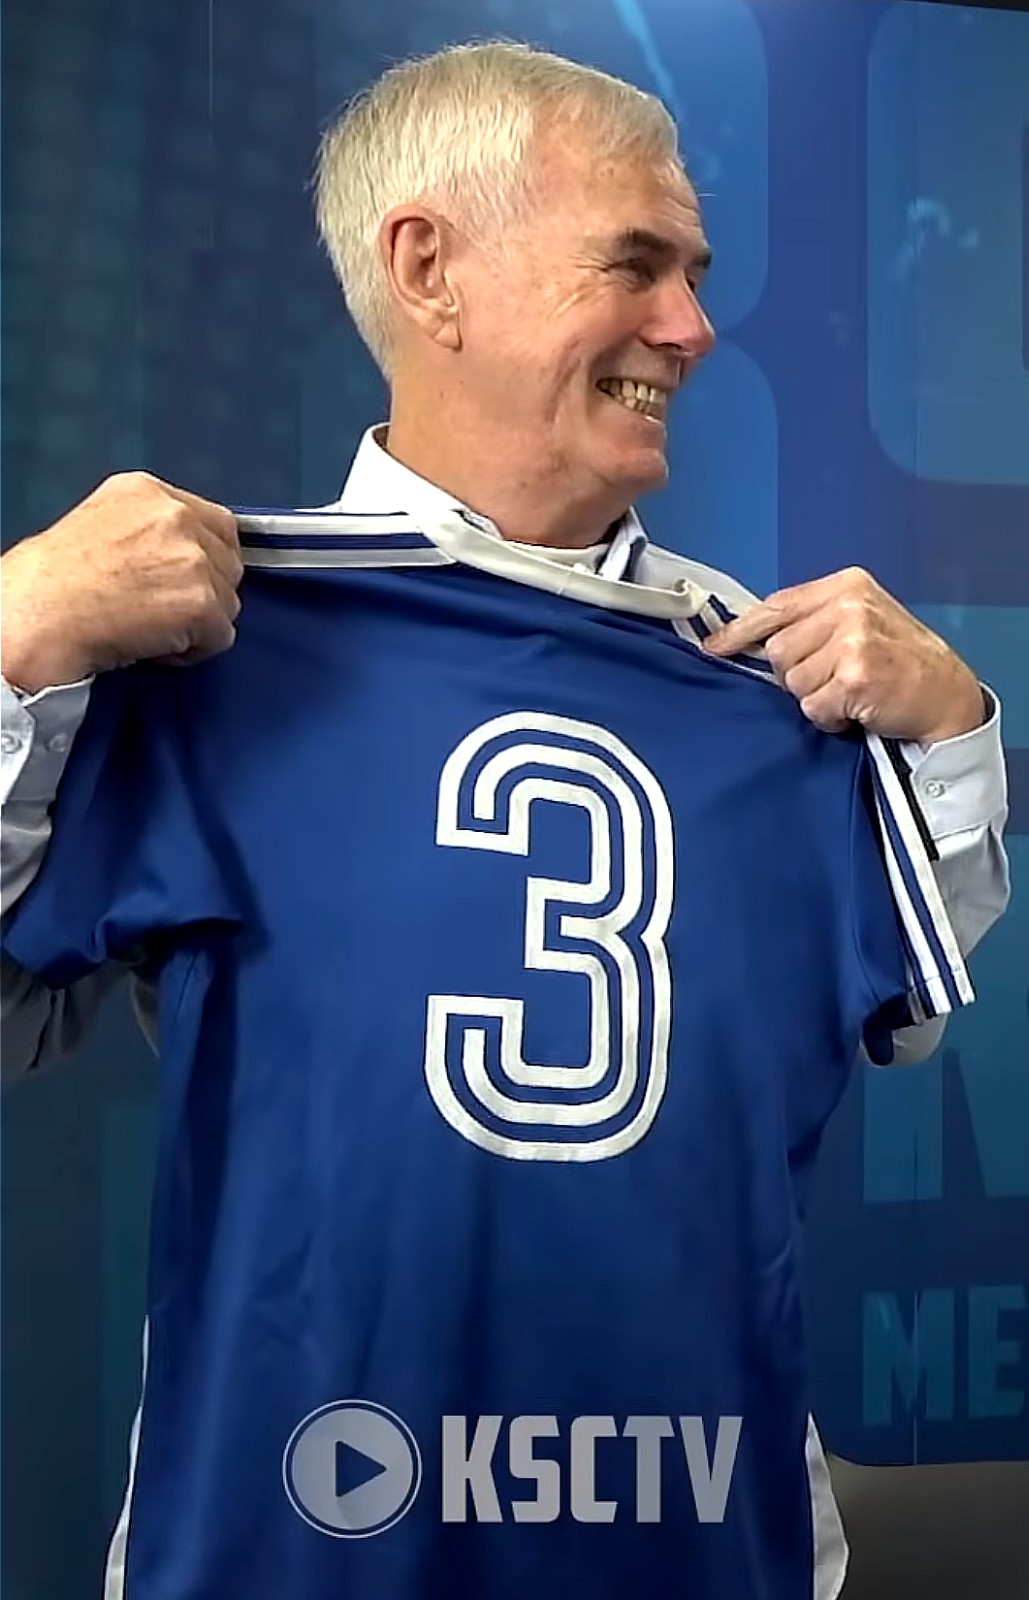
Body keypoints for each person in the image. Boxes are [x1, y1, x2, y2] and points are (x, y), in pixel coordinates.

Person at [0, 39, 1009, 1600]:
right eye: (636, 264)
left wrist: (954, 743)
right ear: (429, 271)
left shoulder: (780, 688)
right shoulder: (200, 641)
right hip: (297, 1548)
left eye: (695, 276)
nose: (691, 327)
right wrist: (7, 645)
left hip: (698, 1545)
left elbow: (904, 1015)